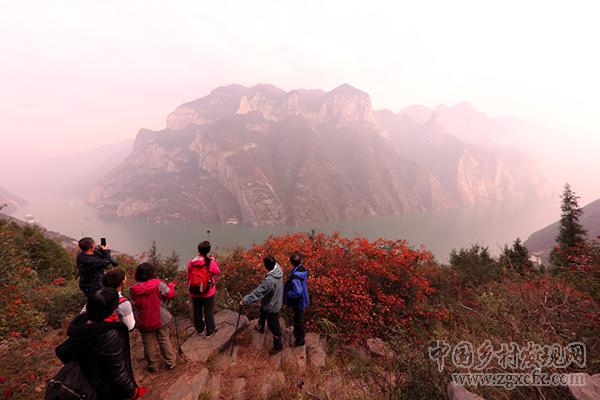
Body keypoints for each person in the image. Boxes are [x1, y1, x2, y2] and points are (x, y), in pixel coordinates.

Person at [55, 287, 146, 399]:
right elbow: (117, 373)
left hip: (87, 384)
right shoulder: (109, 335)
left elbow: (63, 352)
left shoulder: (82, 325)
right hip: (104, 390)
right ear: (111, 309)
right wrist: (132, 393)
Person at [129, 262, 177, 371]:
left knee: (148, 342)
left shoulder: (133, 289)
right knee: (164, 338)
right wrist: (171, 286)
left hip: (143, 319)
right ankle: (171, 362)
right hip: (159, 317)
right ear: (151, 273)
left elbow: (134, 302)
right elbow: (170, 294)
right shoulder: (158, 284)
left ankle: (153, 365)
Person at [240, 255, 283, 353]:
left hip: (272, 305)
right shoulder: (278, 268)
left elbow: (258, 292)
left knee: (273, 325)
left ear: (266, 266)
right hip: (273, 299)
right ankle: (261, 326)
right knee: (263, 311)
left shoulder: (269, 281)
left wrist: (245, 300)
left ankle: (278, 345)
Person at [187, 240, 221, 338]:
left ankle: (199, 329)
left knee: (197, 311)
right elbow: (217, 272)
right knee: (208, 312)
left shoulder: (192, 262)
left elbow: (188, 276)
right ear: (208, 250)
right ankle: (210, 331)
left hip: (194, 291)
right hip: (207, 292)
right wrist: (213, 261)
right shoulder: (210, 262)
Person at [283, 252, 310, 347]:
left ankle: (300, 340)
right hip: (303, 298)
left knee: (298, 320)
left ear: (291, 263)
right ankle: (297, 333)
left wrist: (288, 294)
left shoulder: (295, 277)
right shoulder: (302, 269)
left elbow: (297, 292)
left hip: (298, 302)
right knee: (298, 318)